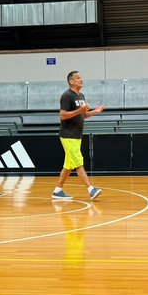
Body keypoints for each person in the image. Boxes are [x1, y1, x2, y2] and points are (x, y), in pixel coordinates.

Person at [52, 70, 103, 201]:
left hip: (76, 135)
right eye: (78, 78)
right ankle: (91, 189)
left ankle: (57, 191)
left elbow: (83, 115)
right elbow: (62, 115)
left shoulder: (81, 96)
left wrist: (94, 112)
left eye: (81, 78)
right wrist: (80, 110)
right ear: (71, 81)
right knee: (78, 162)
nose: (81, 80)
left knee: (69, 165)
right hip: (67, 135)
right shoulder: (66, 96)